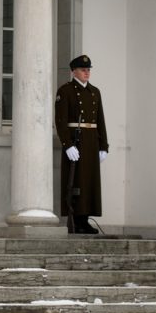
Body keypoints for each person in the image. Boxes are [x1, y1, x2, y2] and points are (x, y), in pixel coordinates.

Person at [54, 54, 108, 235]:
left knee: (89, 181)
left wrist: (103, 146)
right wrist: (67, 145)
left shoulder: (95, 92)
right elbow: (60, 121)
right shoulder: (66, 91)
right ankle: (76, 220)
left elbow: (100, 120)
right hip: (75, 142)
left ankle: (84, 220)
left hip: (91, 140)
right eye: (83, 70)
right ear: (73, 71)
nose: (87, 73)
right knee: (76, 181)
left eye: (88, 70)